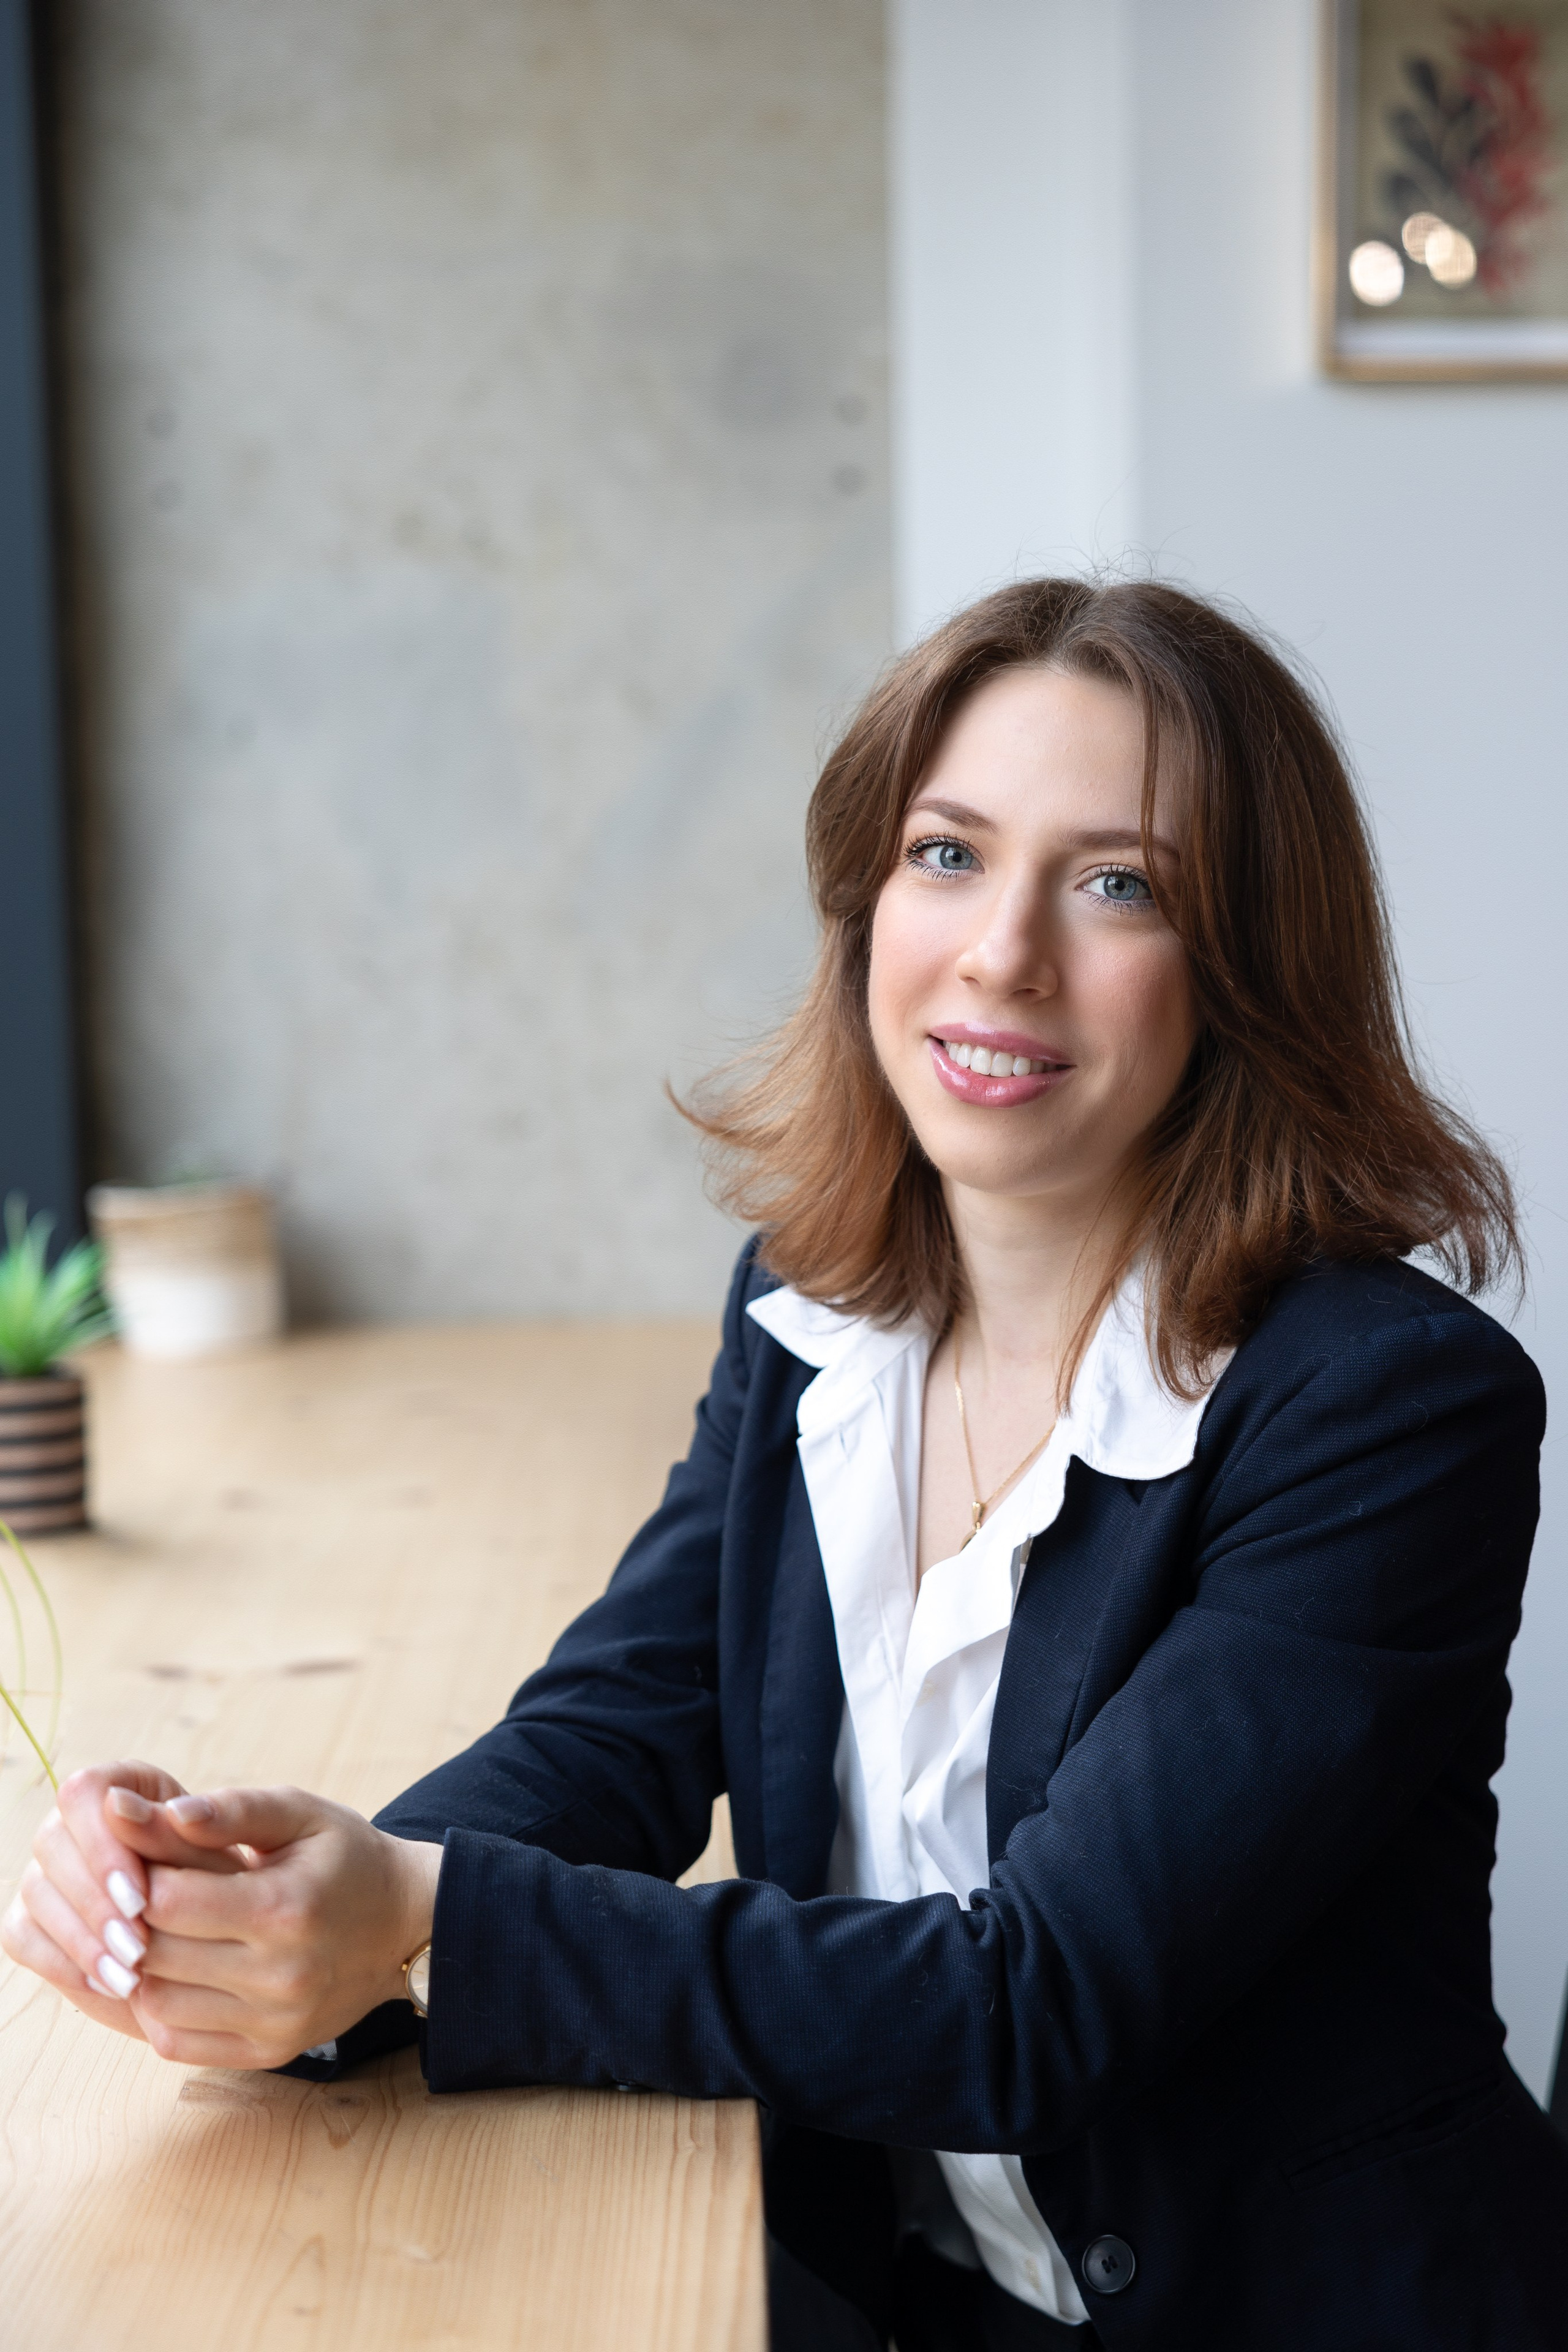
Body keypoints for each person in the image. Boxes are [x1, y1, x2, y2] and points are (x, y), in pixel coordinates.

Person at [6, 579, 1566, 2351]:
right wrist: (278, 1917)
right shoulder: (814, 1312)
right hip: (903, 2298)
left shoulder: (1390, 1408)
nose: (1002, 953)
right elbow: (618, 1732)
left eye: (1118, 884)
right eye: (948, 854)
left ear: (1247, 966)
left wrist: (420, 1915)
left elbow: (1034, 2004)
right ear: (866, 902)